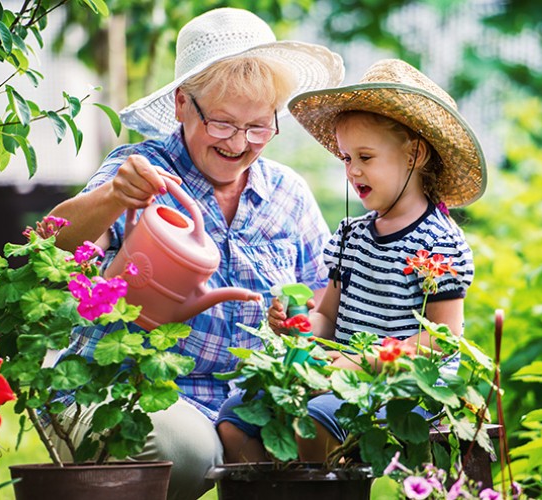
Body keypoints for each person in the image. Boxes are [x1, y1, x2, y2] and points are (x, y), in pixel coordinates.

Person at [45, 7, 344, 500]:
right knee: (179, 450)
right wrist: (113, 198)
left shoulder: (288, 194)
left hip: (247, 402)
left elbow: (318, 308)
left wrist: (299, 323)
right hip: (133, 387)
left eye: (258, 127)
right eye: (224, 124)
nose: (240, 144)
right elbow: (56, 245)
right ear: (183, 103)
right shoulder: (138, 171)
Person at [216, 58, 487, 463]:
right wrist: (299, 326)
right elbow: (328, 317)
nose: (352, 170)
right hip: (339, 378)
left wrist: (363, 361)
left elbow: (441, 341)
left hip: (404, 388)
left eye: (365, 157)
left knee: (311, 420)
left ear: (414, 154)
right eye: (345, 158)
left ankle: (319, 486)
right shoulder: (350, 236)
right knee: (234, 417)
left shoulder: (439, 243)